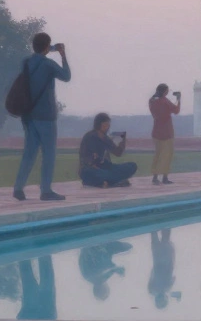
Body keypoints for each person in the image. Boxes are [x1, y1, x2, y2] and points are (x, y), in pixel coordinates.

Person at [13, 33, 71, 201]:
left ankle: (18, 188)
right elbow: (66, 76)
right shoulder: (48, 65)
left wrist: (50, 48)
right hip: (45, 116)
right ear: (47, 46)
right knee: (48, 154)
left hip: (28, 114)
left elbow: (39, 52)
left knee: (29, 153)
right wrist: (62, 55)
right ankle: (45, 190)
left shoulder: (26, 62)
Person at [78, 113, 138, 188]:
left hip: (106, 168)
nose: (107, 127)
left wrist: (122, 143)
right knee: (91, 173)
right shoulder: (89, 137)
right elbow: (87, 161)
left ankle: (108, 181)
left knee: (132, 166)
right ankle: (113, 180)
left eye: (108, 125)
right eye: (105, 125)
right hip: (91, 169)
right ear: (99, 125)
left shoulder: (105, 138)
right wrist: (101, 169)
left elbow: (118, 153)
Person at [149, 84, 181, 185]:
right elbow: (176, 110)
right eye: (167, 91)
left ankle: (155, 177)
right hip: (167, 132)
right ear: (164, 91)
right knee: (167, 156)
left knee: (157, 155)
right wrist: (178, 99)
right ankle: (165, 177)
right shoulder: (164, 101)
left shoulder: (152, 101)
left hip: (156, 131)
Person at [148, 229, 178, 309]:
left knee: (163, 238)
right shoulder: (152, 290)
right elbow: (151, 274)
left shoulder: (165, 288)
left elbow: (173, 278)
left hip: (164, 262)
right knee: (157, 238)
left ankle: (160, 222)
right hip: (161, 262)